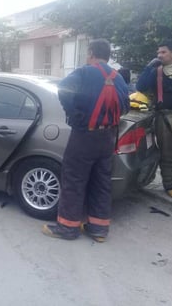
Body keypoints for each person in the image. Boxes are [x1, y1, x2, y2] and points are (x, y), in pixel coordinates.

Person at [42, 39, 129, 242]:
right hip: (108, 137)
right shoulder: (118, 78)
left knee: (74, 180)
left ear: (90, 53)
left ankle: (67, 228)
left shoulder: (84, 72)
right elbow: (126, 105)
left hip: (84, 136)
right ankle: (98, 230)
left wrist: (75, 114)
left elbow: (63, 89)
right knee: (101, 181)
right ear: (108, 55)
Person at [136, 40, 172, 206]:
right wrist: (148, 67)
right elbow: (141, 86)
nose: (159, 55)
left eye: (163, 52)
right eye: (158, 52)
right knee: (167, 155)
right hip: (165, 119)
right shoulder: (157, 71)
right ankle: (170, 184)